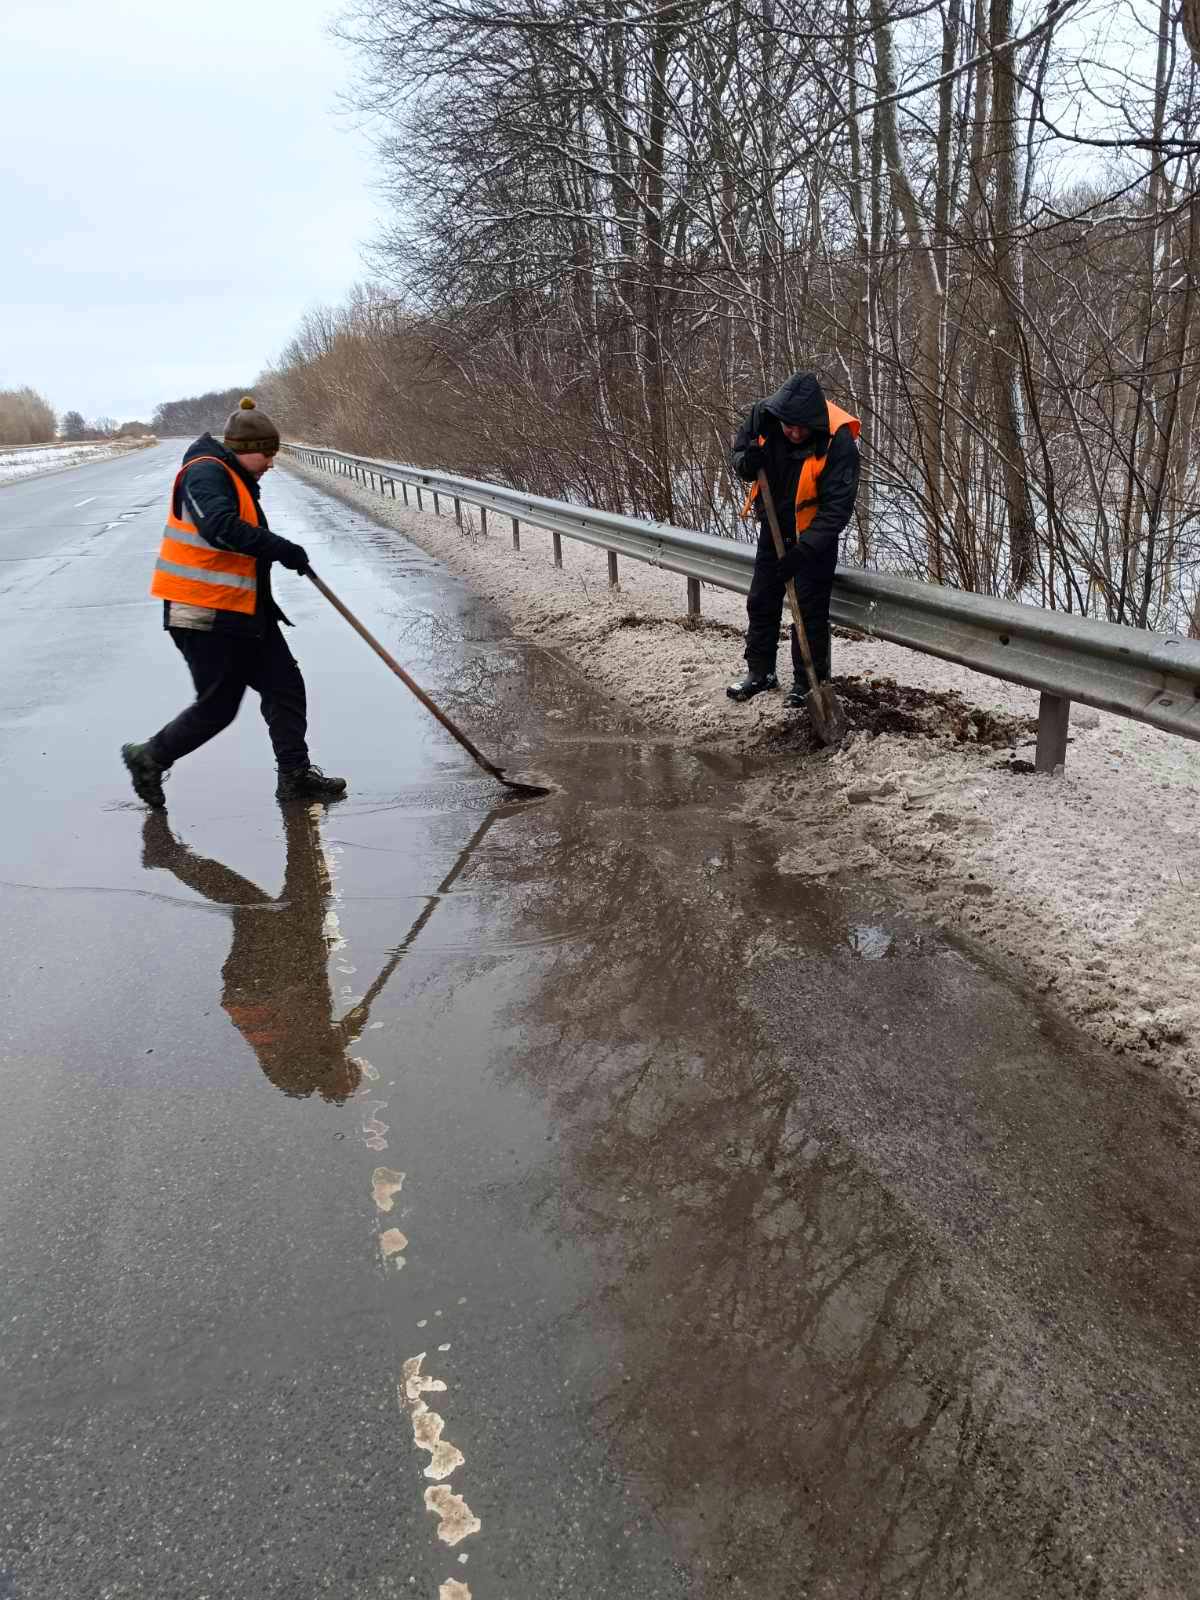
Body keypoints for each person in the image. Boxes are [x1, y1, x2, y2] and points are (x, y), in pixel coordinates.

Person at [121, 397, 347, 807]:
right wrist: (280, 548)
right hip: (202, 613)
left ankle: (295, 776)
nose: (272, 463)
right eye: (268, 454)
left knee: (285, 687)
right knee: (219, 707)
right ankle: (148, 757)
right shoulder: (205, 473)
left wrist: (278, 557)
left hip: (243, 611)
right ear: (246, 449)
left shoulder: (233, 475)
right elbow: (219, 528)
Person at [726, 371, 861, 705]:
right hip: (774, 526)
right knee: (761, 600)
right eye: (789, 426)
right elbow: (739, 452)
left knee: (809, 609)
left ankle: (808, 684)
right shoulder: (765, 416)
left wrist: (804, 552)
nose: (795, 433)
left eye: (802, 428)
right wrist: (747, 462)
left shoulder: (837, 441)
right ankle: (761, 673)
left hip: (814, 536)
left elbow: (837, 509)